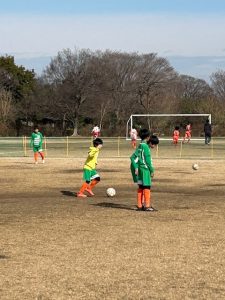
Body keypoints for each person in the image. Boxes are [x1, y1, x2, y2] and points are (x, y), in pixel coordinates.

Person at [130, 129, 159, 211]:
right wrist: (152, 170)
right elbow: (148, 161)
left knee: (141, 187)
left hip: (140, 169)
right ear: (148, 137)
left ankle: (139, 205)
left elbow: (132, 157)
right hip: (145, 169)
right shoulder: (146, 147)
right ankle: (147, 206)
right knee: (147, 187)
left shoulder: (140, 145)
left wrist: (136, 167)